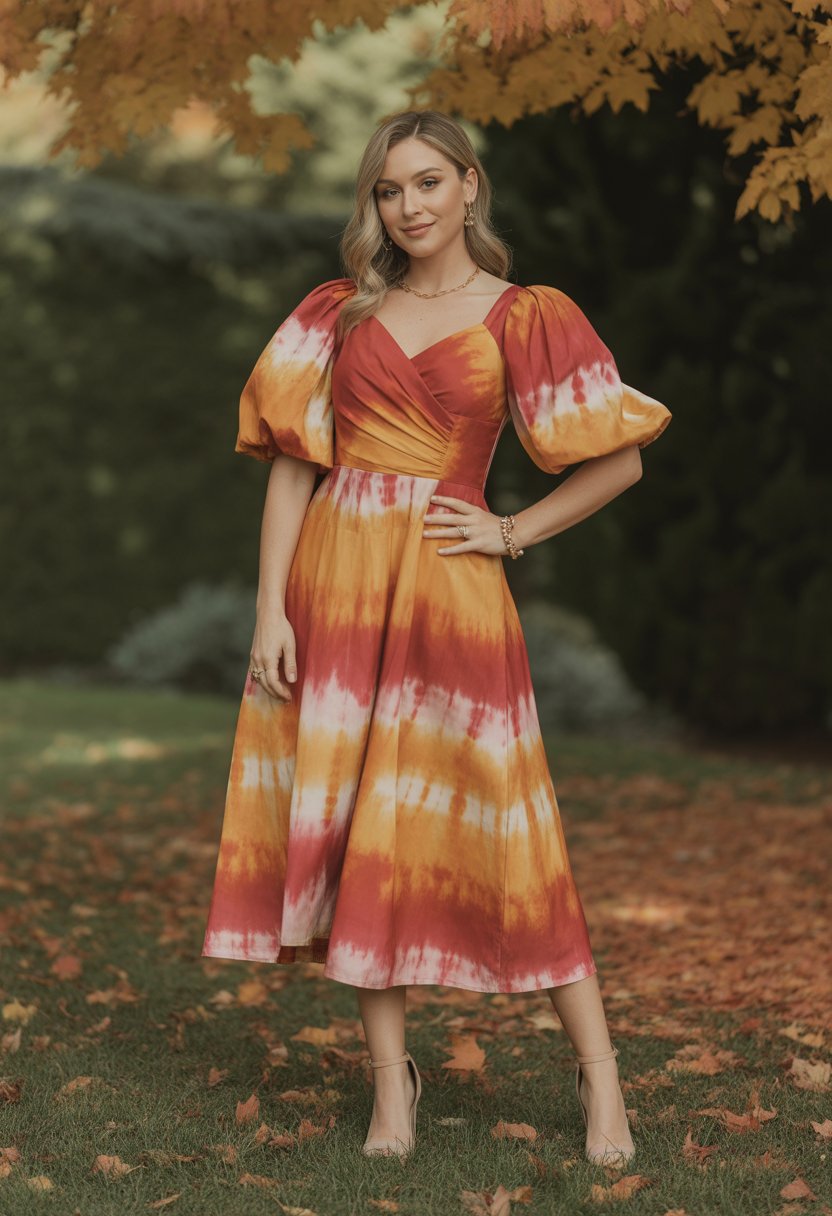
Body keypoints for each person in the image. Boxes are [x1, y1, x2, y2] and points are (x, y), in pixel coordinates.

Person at [201, 108, 672, 1165]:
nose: (406, 206)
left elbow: (618, 459)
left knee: (512, 829)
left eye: (425, 183)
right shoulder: (336, 311)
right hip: (336, 586)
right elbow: (290, 464)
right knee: (357, 827)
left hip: (452, 592)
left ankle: (601, 1080)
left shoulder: (526, 314)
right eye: (386, 189)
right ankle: (391, 1091)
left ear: (469, 185)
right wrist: (269, 608)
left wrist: (510, 528)